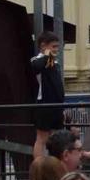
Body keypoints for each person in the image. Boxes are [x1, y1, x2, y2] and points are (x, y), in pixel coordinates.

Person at [29, 31, 66, 160]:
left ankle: (55, 165)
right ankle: (39, 167)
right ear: (44, 46)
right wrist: (46, 54)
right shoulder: (38, 60)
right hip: (44, 104)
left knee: (57, 138)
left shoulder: (55, 64)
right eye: (54, 46)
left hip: (56, 105)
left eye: (57, 47)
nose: (56, 50)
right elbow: (35, 67)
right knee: (42, 138)